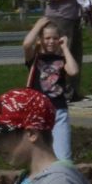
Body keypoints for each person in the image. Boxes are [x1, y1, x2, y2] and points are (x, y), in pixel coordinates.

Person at [21, 17, 79, 162]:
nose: (51, 41)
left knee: (63, 157)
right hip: (38, 112)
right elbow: (27, 44)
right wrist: (39, 24)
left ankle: (63, 180)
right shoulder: (35, 58)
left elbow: (73, 71)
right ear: (40, 39)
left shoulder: (61, 59)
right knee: (40, 156)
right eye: (47, 38)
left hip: (59, 112)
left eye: (55, 38)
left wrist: (65, 48)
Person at [37, 0, 83, 102]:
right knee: (61, 54)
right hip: (58, 17)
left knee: (75, 55)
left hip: (74, 16)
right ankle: (58, 90)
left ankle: (73, 91)